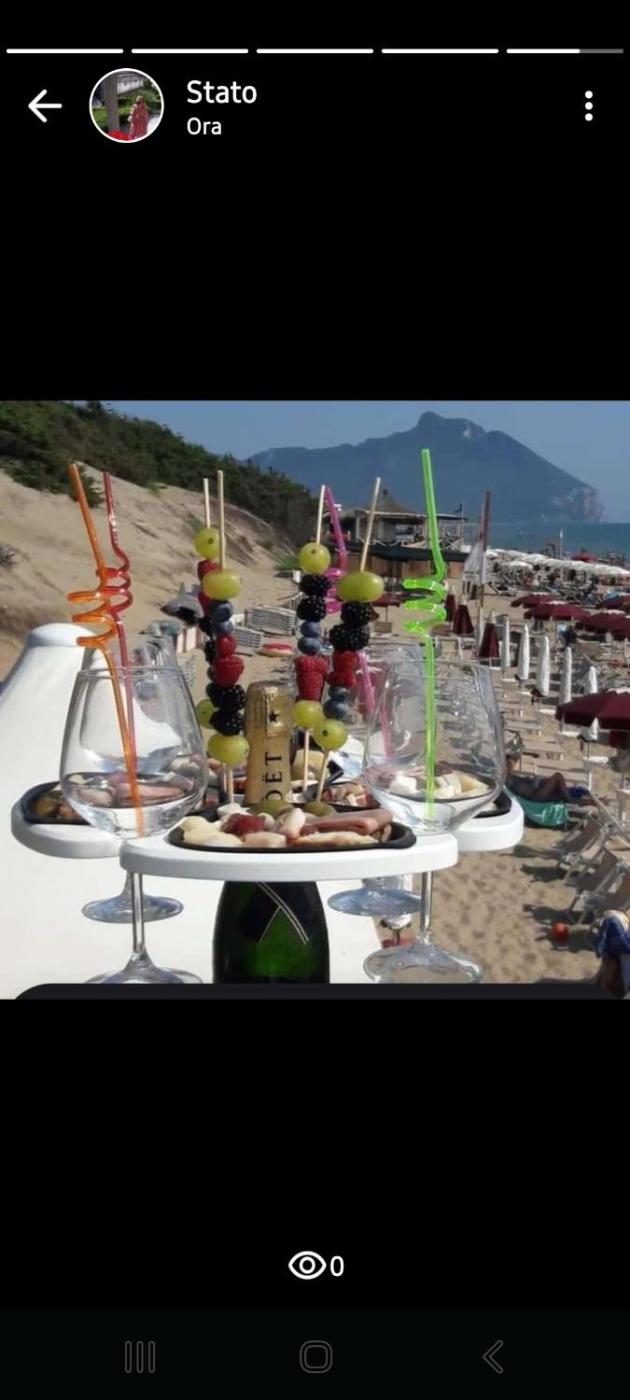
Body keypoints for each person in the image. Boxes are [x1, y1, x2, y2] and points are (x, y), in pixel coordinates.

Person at [505, 754, 593, 805]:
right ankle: (571, 799)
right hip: (535, 797)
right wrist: (510, 763)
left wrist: (512, 760)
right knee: (558, 776)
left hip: (538, 789)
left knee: (562, 790)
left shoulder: (508, 777)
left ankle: (591, 801)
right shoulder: (507, 780)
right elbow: (510, 769)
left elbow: (511, 766)